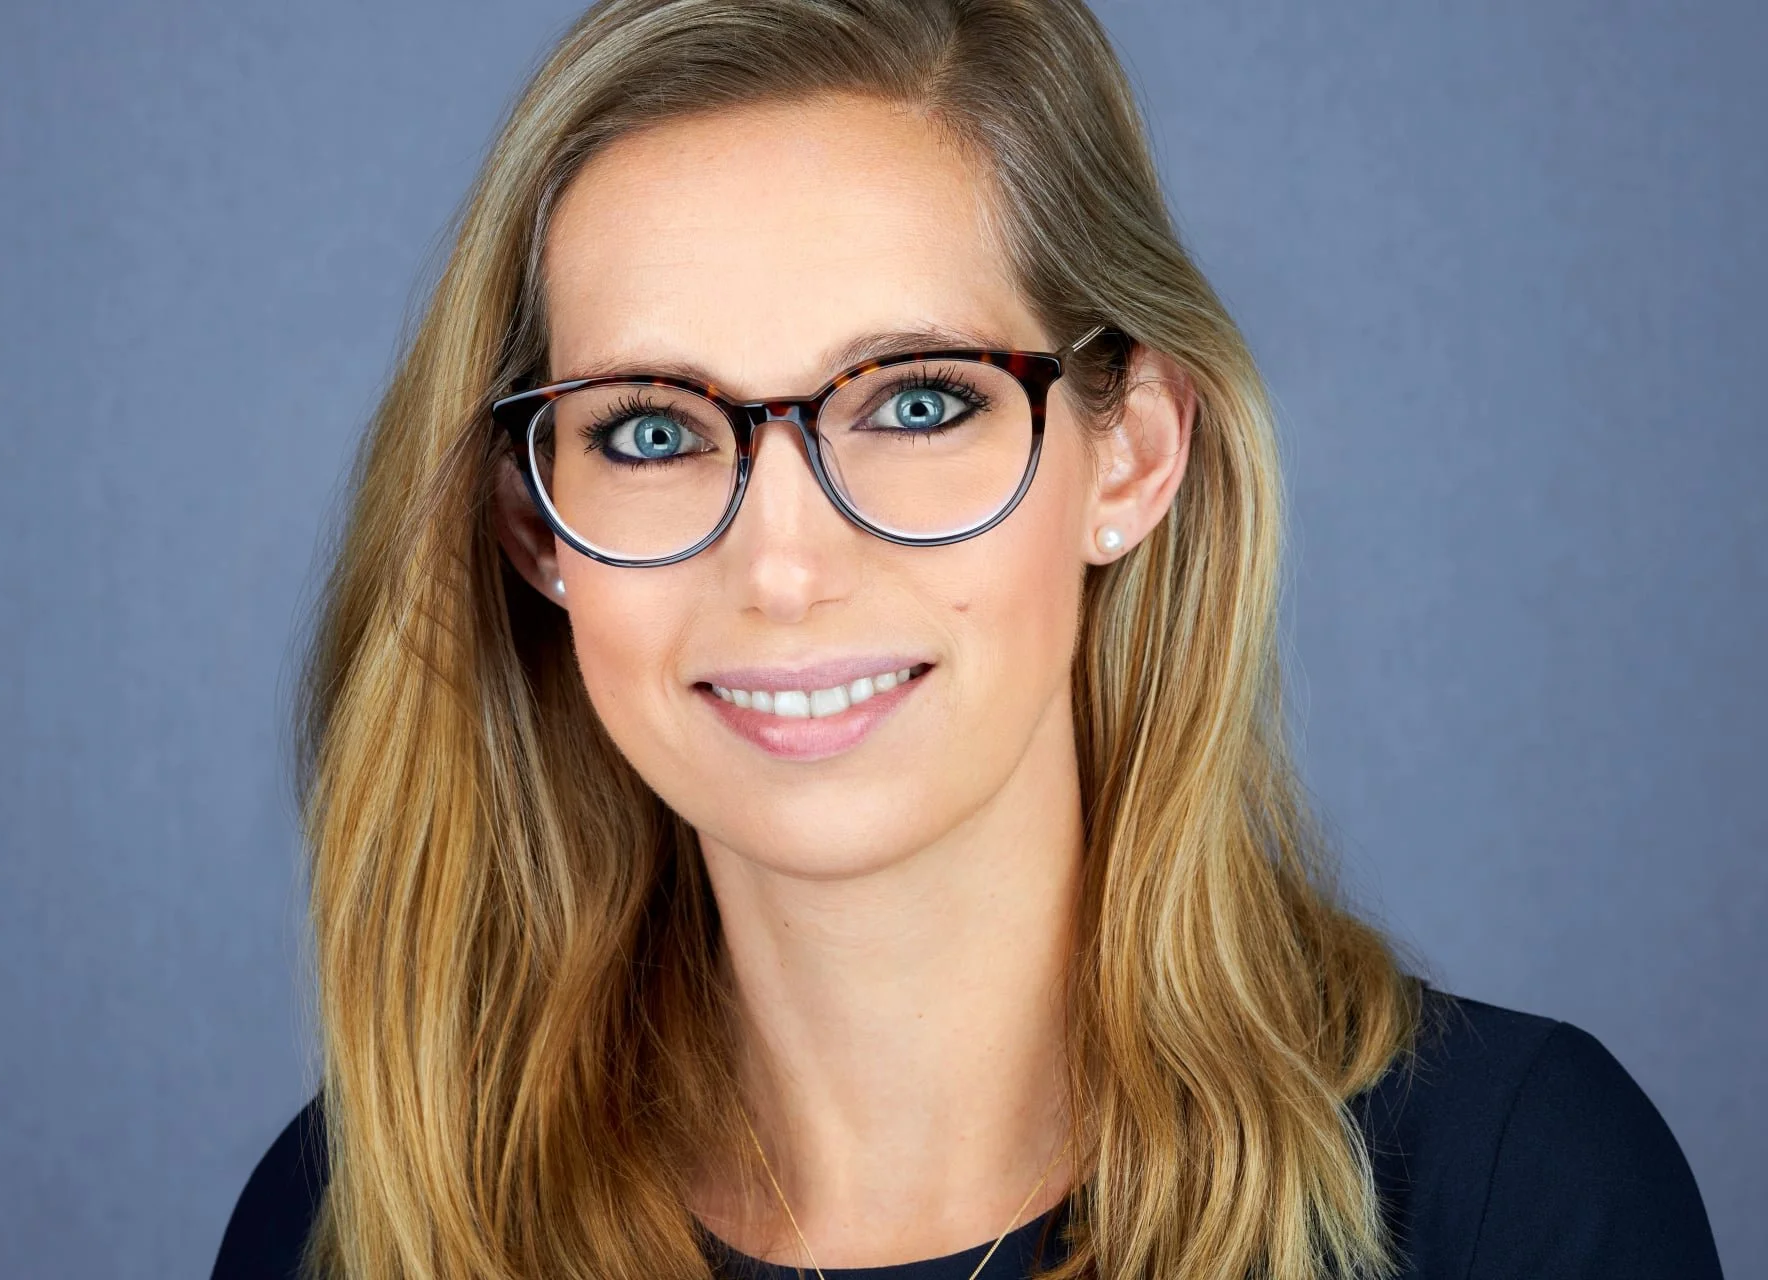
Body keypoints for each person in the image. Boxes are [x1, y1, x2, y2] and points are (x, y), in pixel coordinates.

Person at [211, 1, 1724, 1276]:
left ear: (1128, 454)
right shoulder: (352, 1223)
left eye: (919, 402)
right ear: (537, 529)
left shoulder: (1511, 1194)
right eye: (655, 428)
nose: (784, 566)